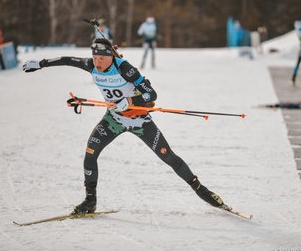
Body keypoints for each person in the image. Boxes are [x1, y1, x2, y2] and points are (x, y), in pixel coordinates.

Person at [22, 38, 224, 215]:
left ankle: (202, 190)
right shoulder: (90, 64)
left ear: (111, 57)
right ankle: (90, 201)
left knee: (168, 157)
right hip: (114, 120)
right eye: (95, 57)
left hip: (140, 122)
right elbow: (66, 60)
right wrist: (40, 63)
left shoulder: (124, 68)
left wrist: (130, 99)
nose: (97, 62)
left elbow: (151, 95)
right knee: (90, 153)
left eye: (102, 58)